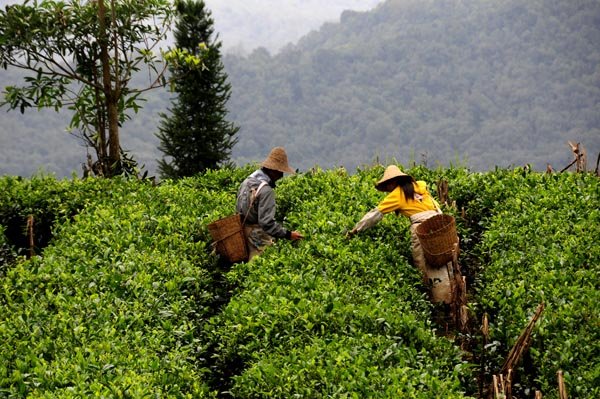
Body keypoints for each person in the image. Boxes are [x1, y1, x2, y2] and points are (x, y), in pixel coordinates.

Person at [348, 165, 453, 303]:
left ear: (394, 182)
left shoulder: (397, 194)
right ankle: (452, 295)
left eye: (388, 184)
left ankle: (437, 300)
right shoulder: (419, 186)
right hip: (439, 225)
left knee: (423, 263)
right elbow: (434, 206)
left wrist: (356, 229)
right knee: (444, 259)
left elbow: (375, 214)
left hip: (422, 228)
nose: (388, 187)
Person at [236, 147, 304, 260]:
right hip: (256, 237)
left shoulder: (246, 182)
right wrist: (288, 234)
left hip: (242, 233)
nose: (281, 176)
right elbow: (266, 223)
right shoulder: (266, 190)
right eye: (280, 172)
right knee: (258, 268)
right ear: (273, 171)